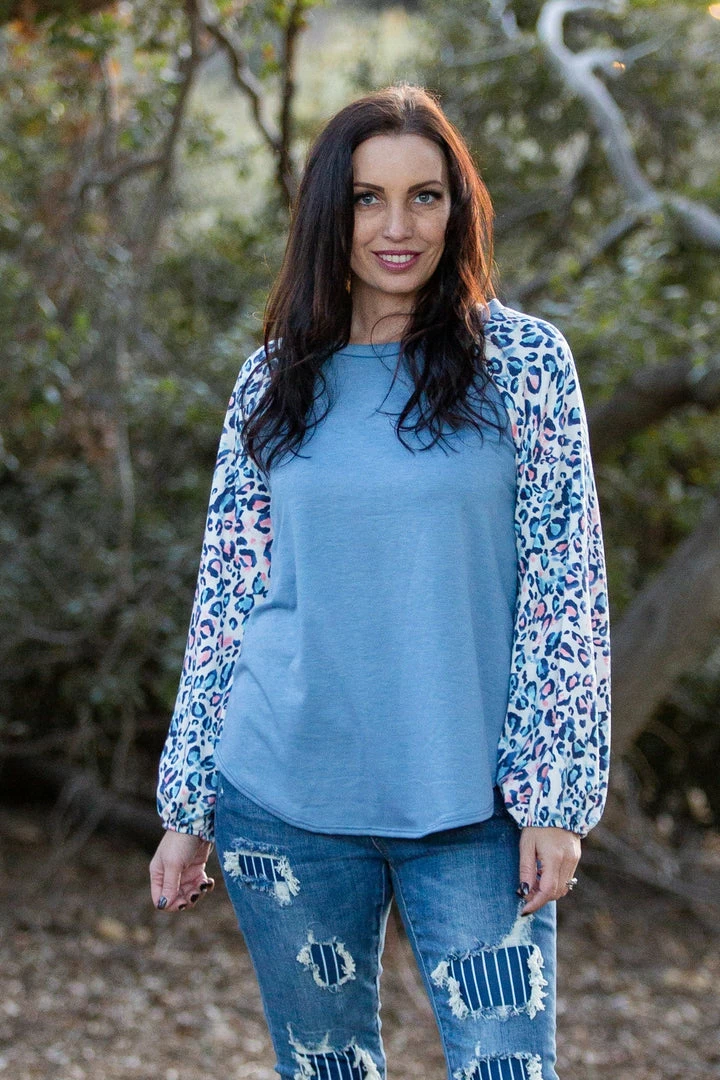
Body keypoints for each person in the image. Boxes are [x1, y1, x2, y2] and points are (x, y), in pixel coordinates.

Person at [149, 83, 611, 1080]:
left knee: (507, 1068)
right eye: (368, 198)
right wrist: (186, 808)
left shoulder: (525, 366)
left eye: (424, 197)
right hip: (285, 800)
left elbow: (566, 590)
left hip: (477, 804)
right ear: (331, 211)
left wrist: (557, 798)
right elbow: (227, 599)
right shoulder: (275, 378)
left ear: (458, 209)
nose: (398, 227)